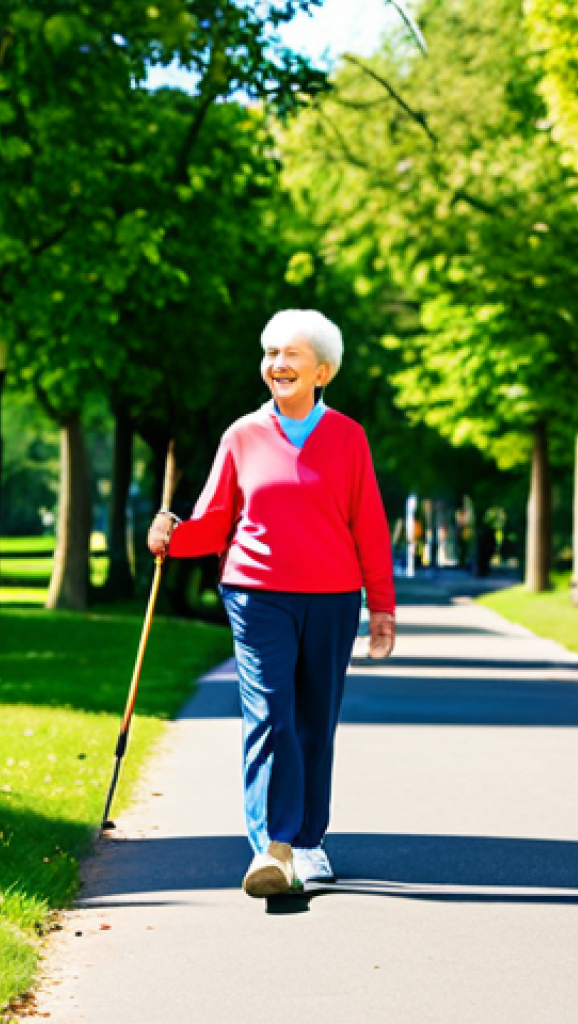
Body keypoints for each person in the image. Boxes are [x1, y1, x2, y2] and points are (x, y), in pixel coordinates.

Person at [147, 309, 395, 898]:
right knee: (270, 716)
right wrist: (170, 535)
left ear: (323, 372)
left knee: (314, 720)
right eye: (270, 353)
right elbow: (214, 521)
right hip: (256, 595)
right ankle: (272, 848)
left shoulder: (348, 438)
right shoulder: (242, 435)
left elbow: (370, 525)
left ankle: (309, 842)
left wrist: (381, 606)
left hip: (333, 598)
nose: (277, 365)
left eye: (291, 355)